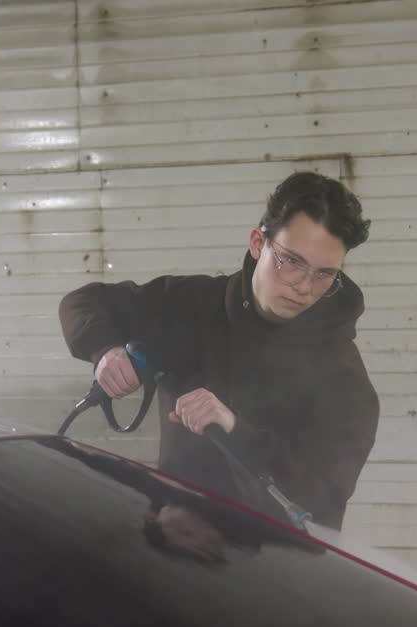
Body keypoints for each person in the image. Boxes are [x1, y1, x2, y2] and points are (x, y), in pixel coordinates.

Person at [58, 171, 379, 530]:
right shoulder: (192, 305)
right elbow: (83, 302)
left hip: (271, 571)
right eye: (292, 261)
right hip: (172, 546)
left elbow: (320, 500)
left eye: (324, 275)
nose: (305, 287)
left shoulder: (344, 379)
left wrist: (233, 428)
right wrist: (105, 350)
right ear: (259, 243)